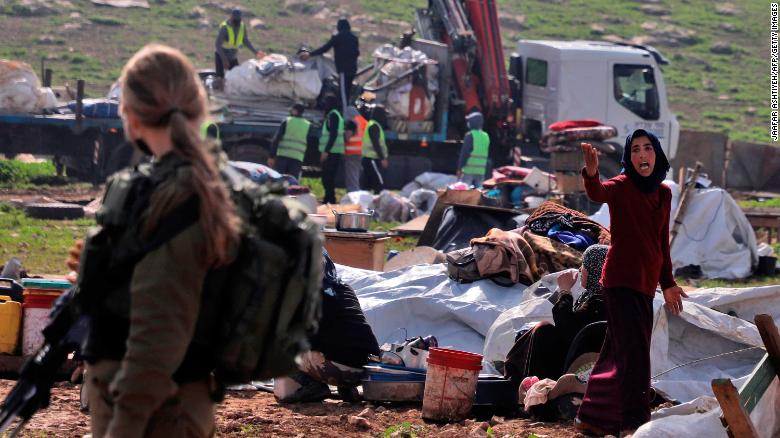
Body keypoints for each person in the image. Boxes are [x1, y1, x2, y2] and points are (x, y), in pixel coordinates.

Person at [70, 44, 242, 437]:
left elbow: (158, 335)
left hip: (148, 409)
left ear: (130, 116)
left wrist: (123, 425)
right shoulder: (183, 187)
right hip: (163, 403)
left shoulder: (173, 195)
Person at [575, 130, 687, 436]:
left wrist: (668, 283)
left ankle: (592, 417)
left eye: (647, 148)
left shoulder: (663, 194)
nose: (641, 154)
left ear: (656, 154)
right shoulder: (622, 187)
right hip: (621, 282)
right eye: (635, 149)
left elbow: (661, 243)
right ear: (629, 157)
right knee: (635, 356)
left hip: (645, 285)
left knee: (617, 352)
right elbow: (598, 192)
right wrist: (592, 173)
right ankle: (633, 423)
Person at [274, 249, 380, 403]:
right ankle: (346, 388)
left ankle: (312, 387)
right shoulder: (344, 288)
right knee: (336, 338)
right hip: (368, 370)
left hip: (337, 368)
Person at [504, 245, 609, 382]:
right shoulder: (596, 297)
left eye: (584, 265)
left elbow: (567, 328)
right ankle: (516, 377)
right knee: (532, 331)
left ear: (594, 269)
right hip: (574, 357)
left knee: (543, 331)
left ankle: (526, 382)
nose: (580, 269)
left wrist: (565, 291)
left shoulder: (601, 302)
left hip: (578, 365)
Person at [300, 18, 360, 112]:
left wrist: (310, 54)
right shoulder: (354, 38)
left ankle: (344, 112)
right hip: (353, 68)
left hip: (343, 69)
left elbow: (325, 48)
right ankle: (345, 110)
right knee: (347, 91)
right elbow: (357, 53)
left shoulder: (338, 37)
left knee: (343, 93)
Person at [215, 8, 265, 78]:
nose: (237, 21)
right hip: (221, 56)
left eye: (239, 19)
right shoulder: (225, 28)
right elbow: (217, 45)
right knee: (220, 78)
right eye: (236, 19)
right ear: (231, 17)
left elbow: (245, 41)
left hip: (233, 57)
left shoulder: (241, 26)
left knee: (237, 77)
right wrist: (224, 59)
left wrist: (256, 52)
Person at [269, 102, 311, 180]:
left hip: (283, 156)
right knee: (292, 182)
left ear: (294, 111)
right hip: (297, 158)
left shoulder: (287, 121)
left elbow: (276, 139)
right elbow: (308, 144)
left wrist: (272, 156)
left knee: (279, 180)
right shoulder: (307, 124)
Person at [319, 98, 345, 204]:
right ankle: (329, 198)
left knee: (327, 177)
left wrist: (326, 151)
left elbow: (333, 134)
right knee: (328, 177)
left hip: (332, 152)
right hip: (334, 151)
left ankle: (330, 199)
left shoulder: (333, 115)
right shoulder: (335, 115)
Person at [457, 110, 490, 187]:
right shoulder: (486, 136)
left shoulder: (470, 135)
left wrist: (459, 168)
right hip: (481, 171)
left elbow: (464, 154)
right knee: (479, 194)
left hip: (469, 170)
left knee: (465, 192)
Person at [361, 105, 389, 194]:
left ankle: (367, 204)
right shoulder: (374, 126)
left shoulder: (372, 124)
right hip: (372, 159)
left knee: (367, 184)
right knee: (378, 184)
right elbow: (376, 144)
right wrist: (382, 158)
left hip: (369, 159)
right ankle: (377, 204)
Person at [343, 106, 366, 192]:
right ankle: (357, 193)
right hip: (362, 152)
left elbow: (348, 137)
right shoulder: (364, 121)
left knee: (352, 177)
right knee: (357, 175)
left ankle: (353, 195)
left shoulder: (351, 122)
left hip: (352, 152)